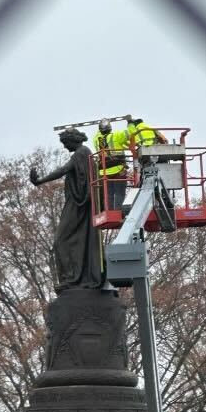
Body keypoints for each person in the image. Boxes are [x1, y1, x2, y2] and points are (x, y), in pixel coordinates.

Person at [29, 128, 103, 291]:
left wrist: (40, 181)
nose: (64, 147)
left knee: (60, 240)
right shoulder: (84, 153)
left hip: (78, 204)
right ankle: (74, 276)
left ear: (73, 140)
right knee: (71, 240)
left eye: (65, 143)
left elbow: (62, 170)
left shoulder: (81, 153)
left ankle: (71, 277)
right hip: (77, 203)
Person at [93, 117, 129, 211]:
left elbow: (98, 134)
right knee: (119, 192)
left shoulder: (96, 139)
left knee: (108, 193)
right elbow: (129, 133)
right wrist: (130, 122)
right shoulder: (116, 136)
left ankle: (109, 212)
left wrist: (102, 122)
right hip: (118, 169)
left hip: (104, 171)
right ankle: (118, 212)